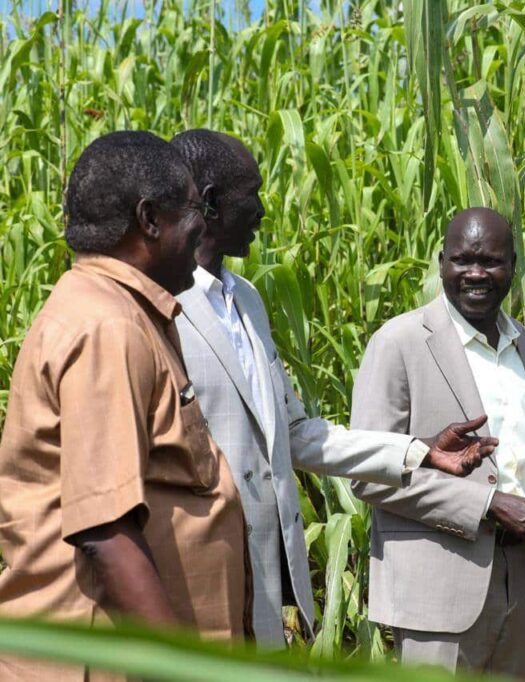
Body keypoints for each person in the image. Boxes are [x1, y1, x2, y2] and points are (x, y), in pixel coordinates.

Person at [169, 129, 497, 647]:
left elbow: (297, 433)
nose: (262, 209)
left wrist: (420, 453)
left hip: (266, 585)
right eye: (251, 193)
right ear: (210, 203)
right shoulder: (162, 304)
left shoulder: (246, 299)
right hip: (196, 583)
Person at [0, 131, 249, 681]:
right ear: (149, 219)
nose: (203, 226)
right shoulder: (107, 327)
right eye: (192, 208)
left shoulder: (125, 313)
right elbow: (104, 531)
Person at [349, 208, 525, 681]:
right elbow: (369, 474)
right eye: (462, 260)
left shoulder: (521, 343)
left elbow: (523, 449)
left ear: (513, 265)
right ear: (441, 262)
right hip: (439, 591)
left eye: (491, 261)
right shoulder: (399, 342)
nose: (476, 274)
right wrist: (488, 505)